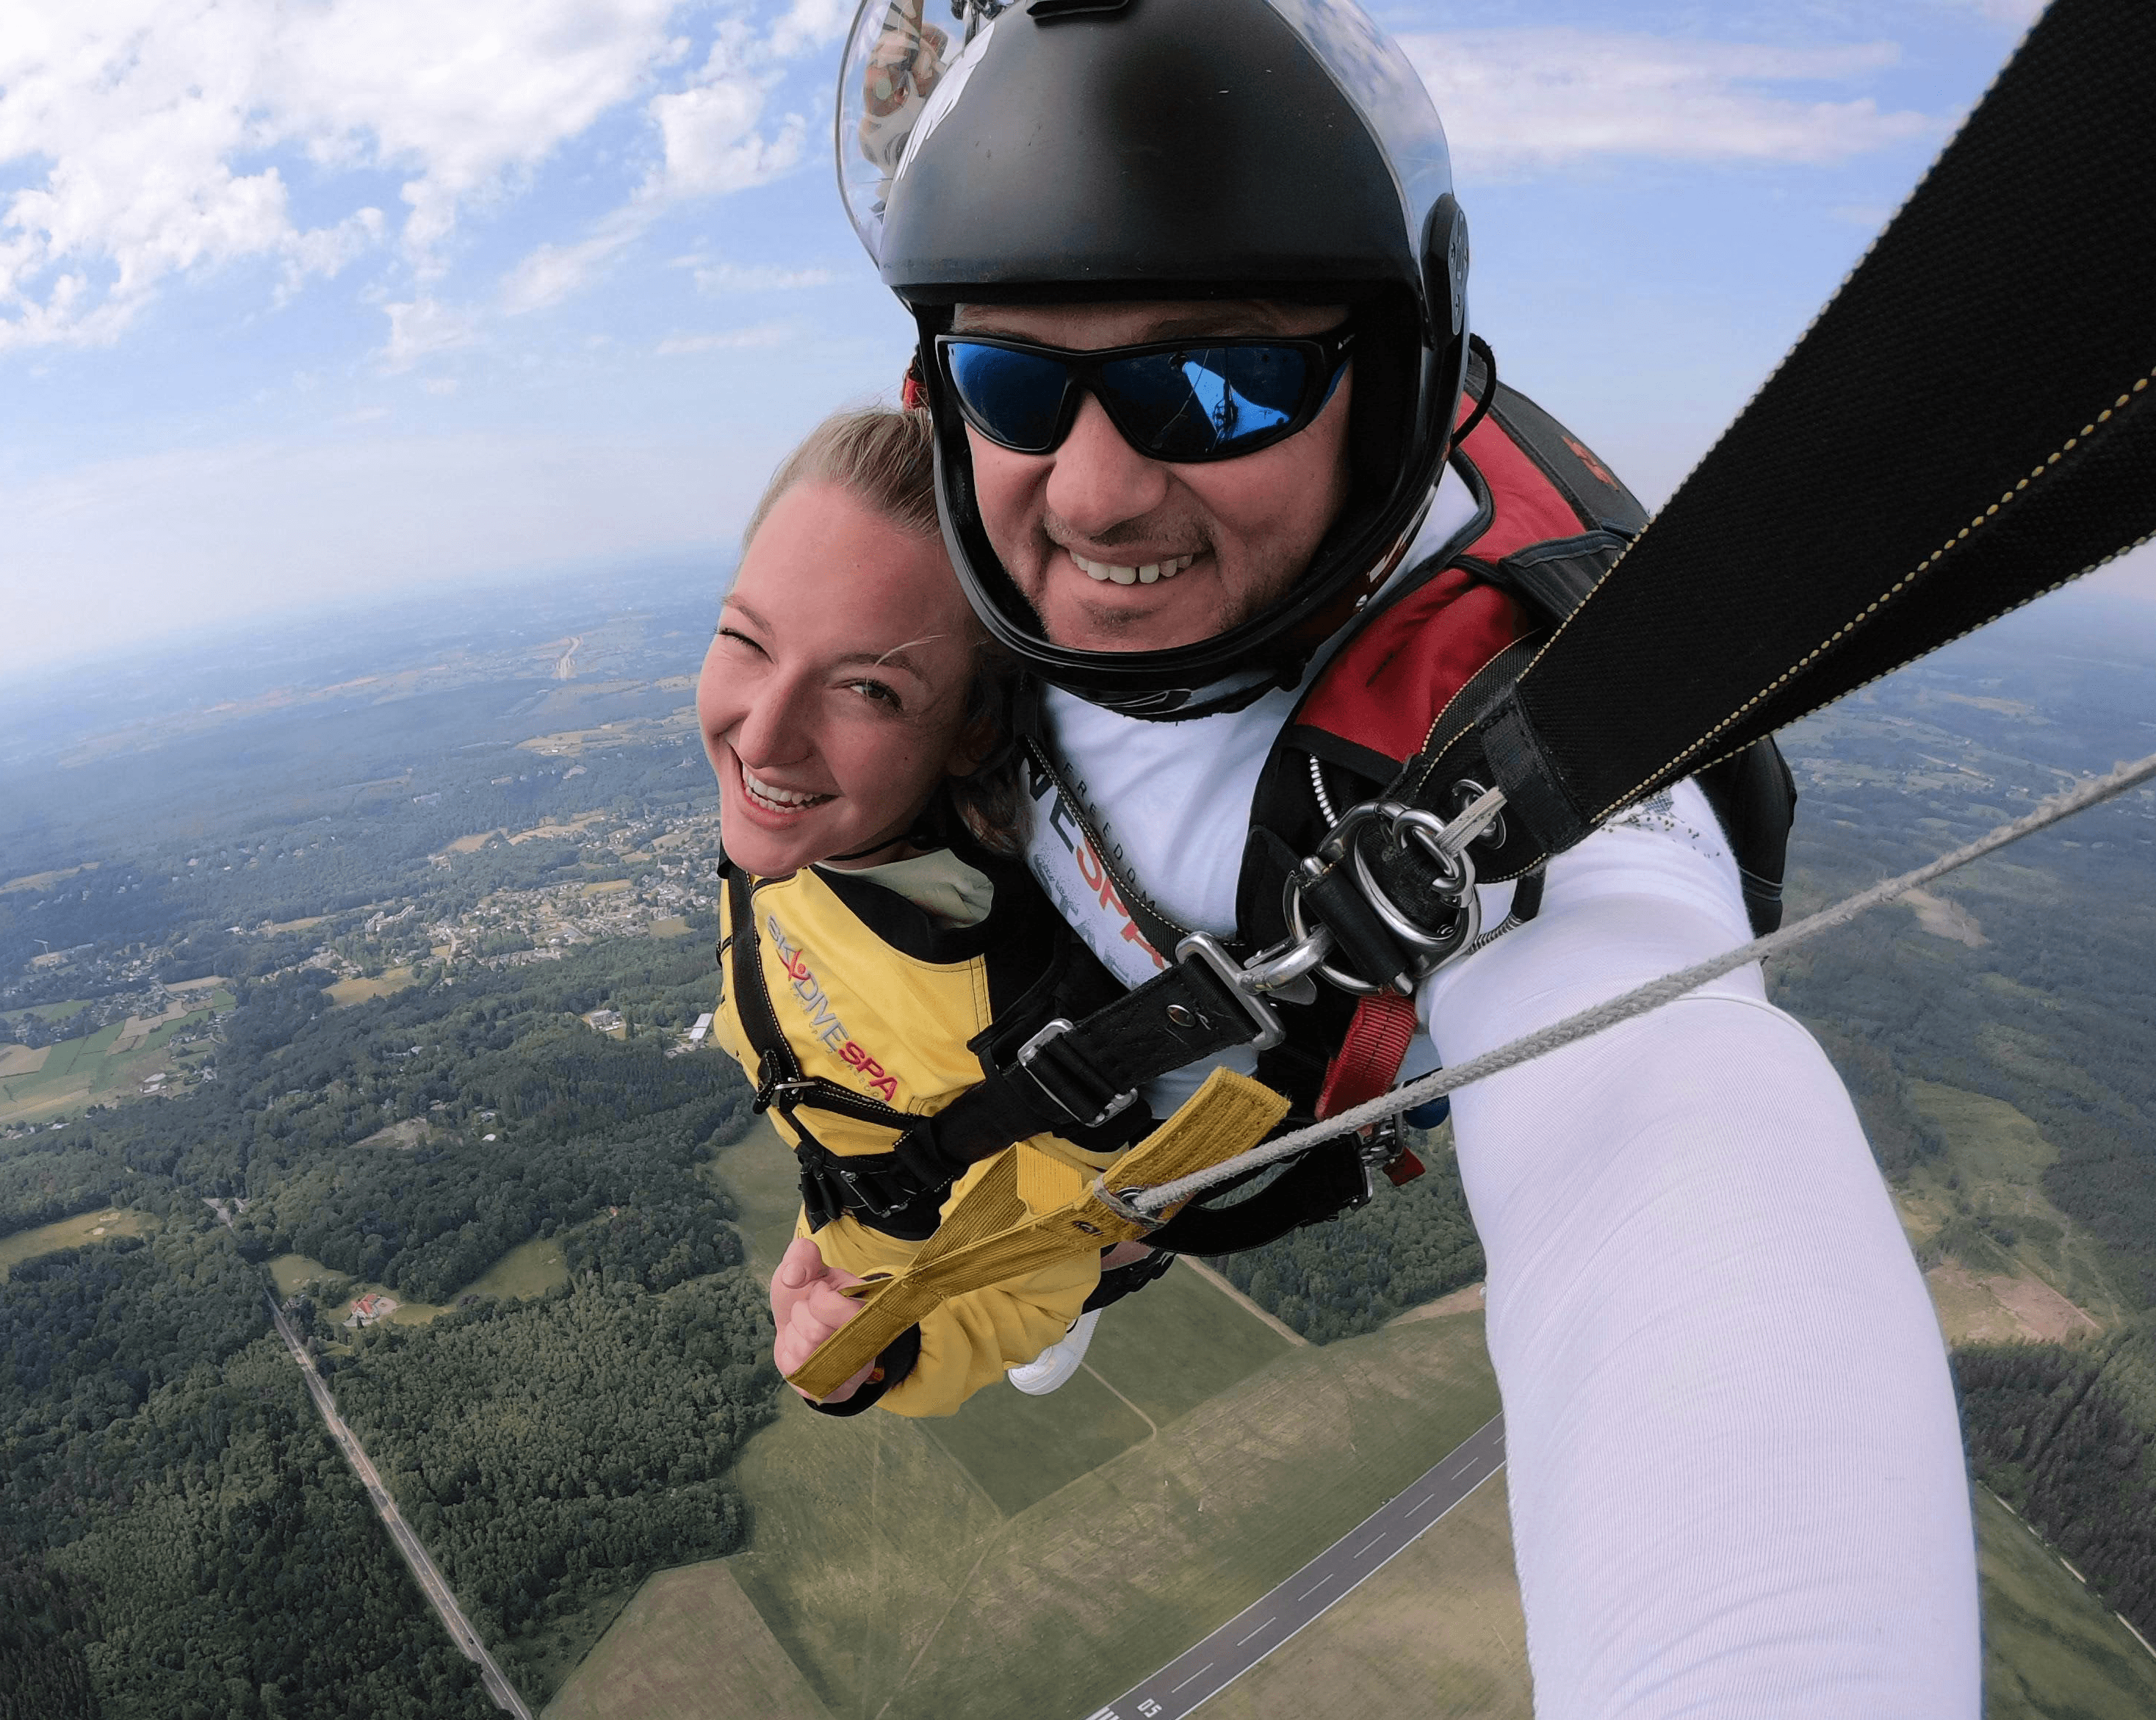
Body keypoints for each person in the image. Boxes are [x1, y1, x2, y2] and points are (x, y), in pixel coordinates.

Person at [833, 0, 1978, 1713]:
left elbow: (1665, 1117)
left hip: (1233, 1106)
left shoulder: (1521, 735)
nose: (1090, 493)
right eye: (1013, 375)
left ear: (1391, 382)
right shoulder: (955, 524)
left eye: (1212, 381)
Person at [701, 405, 1165, 1417]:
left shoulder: (1031, 1013)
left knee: (1068, 1287)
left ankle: (1118, 1267)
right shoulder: (802, 838)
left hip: (965, 1234)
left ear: (970, 731)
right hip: (860, 1194)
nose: (763, 735)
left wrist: (880, 1357)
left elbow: (1020, 1281)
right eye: (746, 639)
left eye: (866, 688)